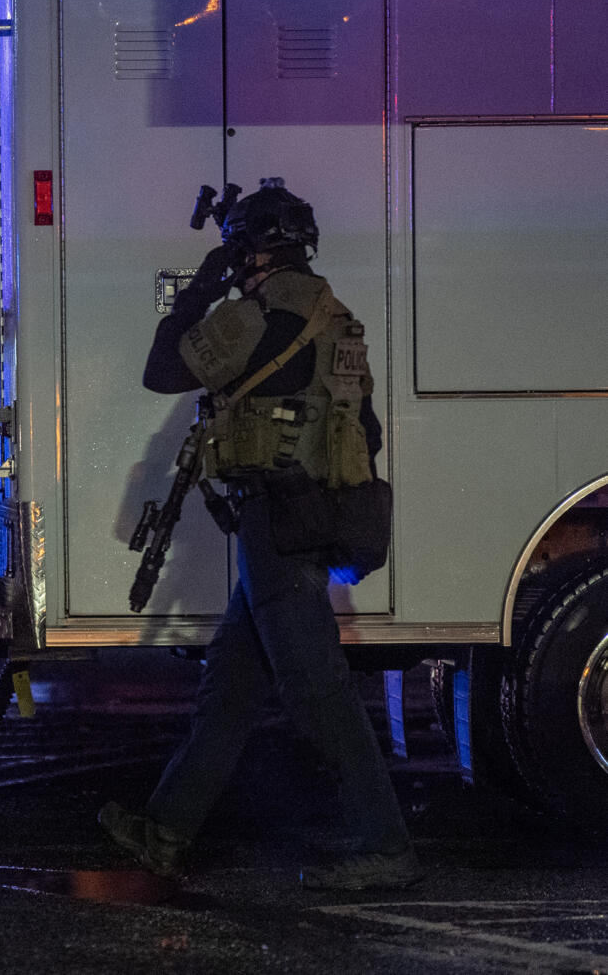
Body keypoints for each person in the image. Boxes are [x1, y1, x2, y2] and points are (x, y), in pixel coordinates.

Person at [100, 179, 422, 891]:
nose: (235, 265)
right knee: (233, 685)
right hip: (308, 517)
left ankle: (385, 844)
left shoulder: (257, 317)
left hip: (277, 525)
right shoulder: (336, 315)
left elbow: (162, 368)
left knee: (320, 694)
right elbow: (359, 428)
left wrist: (201, 288)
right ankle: (167, 828)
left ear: (253, 251)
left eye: (237, 253)